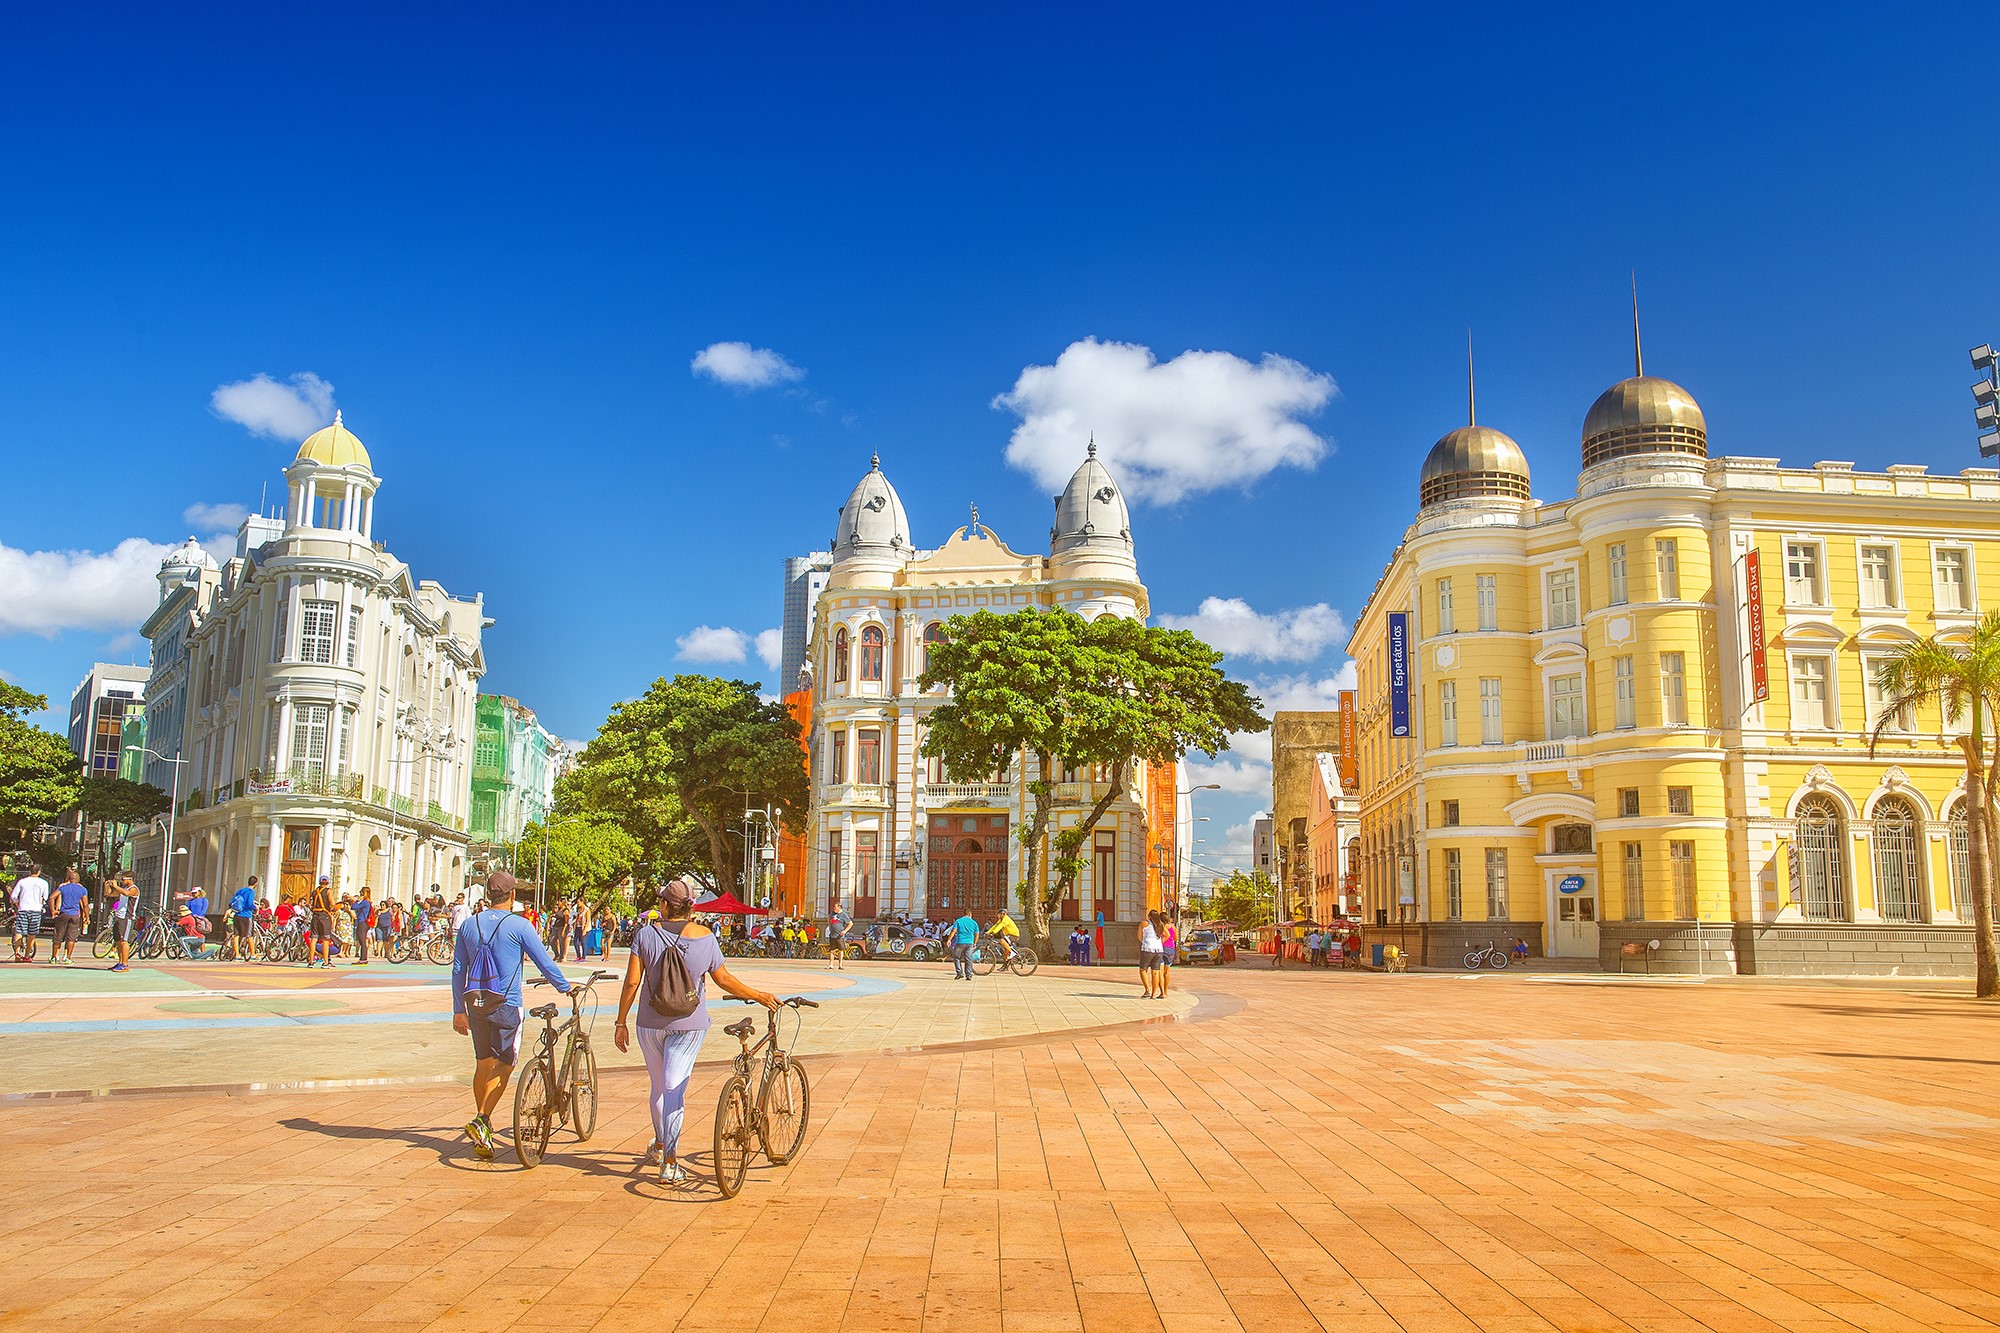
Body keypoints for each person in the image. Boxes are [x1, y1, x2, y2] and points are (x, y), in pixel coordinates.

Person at [614, 878, 780, 1184]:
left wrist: (621, 1021)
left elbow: (632, 983)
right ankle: (670, 1161)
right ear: (691, 907)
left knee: (658, 1087)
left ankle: (662, 1143)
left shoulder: (645, 936)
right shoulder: (705, 938)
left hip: (649, 1024)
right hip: (689, 1026)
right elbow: (723, 979)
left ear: (664, 905)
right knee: (674, 1088)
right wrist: (759, 995)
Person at [451, 871, 573, 1160]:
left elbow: (458, 970)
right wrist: (565, 987)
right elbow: (544, 961)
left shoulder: (469, 924)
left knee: (483, 1063)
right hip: (507, 1004)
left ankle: (484, 1125)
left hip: (475, 1003)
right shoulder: (519, 925)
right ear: (512, 896)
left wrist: (458, 1010)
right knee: (505, 1064)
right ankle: (482, 1119)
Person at [10, 862, 49, 963]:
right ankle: (27, 955)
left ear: (29, 871)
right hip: (36, 910)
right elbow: (45, 897)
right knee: (32, 933)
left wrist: (18, 903)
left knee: (19, 931)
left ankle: (17, 954)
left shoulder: (22, 882)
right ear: (39, 872)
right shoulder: (43, 883)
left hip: (23, 909)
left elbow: (13, 896)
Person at [48, 868, 87, 966]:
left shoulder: (63, 887)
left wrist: (53, 910)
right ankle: (67, 957)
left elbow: (52, 897)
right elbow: (85, 904)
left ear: (69, 879)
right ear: (78, 880)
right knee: (71, 937)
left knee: (58, 935)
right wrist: (86, 916)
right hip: (75, 914)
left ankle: (54, 957)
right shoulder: (82, 889)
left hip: (64, 913)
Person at [106, 871, 138, 972]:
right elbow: (110, 894)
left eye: (123, 879)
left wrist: (115, 886)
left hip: (127, 917)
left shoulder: (134, 889)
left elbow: (127, 894)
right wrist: (107, 886)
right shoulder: (123, 889)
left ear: (130, 879)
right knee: (118, 941)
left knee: (124, 941)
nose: (122, 881)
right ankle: (120, 962)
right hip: (119, 917)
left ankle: (125, 964)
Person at [307, 875, 338, 968]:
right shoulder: (329, 891)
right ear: (328, 882)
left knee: (314, 939)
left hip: (315, 916)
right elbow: (332, 904)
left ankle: (311, 961)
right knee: (325, 940)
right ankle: (325, 962)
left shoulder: (314, 892)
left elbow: (310, 905)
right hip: (324, 916)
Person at [225, 877, 259, 961]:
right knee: (249, 935)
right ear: (256, 884)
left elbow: (231, 902)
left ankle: (237, 954)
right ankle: (253, 954)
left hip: (237, 915)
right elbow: (249, 903)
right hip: (246, 915)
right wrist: (255, 907)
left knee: (236, 935)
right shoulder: (250, 892)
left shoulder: (240, 891)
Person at [1138, 911, 1165, 999]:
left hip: (1147, 949)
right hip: (1159, 950)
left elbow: (1139, 936)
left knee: (1143, 969)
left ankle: (1147, 990)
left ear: (1149, 916)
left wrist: (1145, 942)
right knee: (1155, 972)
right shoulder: (1161, 925)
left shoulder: (1144, 923)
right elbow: (1165, 935)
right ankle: (1154, 994)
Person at [950, 909, 978, 981]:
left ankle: (959, 973)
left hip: (960, 942)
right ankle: (968, 975)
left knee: (957, 957)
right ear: (970, 914)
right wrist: (975, 942)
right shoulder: (974, 922)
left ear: (964, 914)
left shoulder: (958, 921)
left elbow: (954, 931)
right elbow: (976, 934)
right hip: (970, 943)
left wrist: (949, 939)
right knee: (968, 959)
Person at [826, 899, 851, 971]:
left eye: (835, 907)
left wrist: (845, 931)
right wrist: (830, 927)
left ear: (839, 907)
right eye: (833, 907)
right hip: (832, 935)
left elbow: (850, 923)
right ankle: (831, 964)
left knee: (841, 950)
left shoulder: (843, 914)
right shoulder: (831, 914)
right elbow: (828, 919)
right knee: (832, 950)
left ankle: (840, 964)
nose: (834, 909)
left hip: (840, 936)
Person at [352, 888, 373, 965]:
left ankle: (363, 959)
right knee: (362, 941)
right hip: (362, 922)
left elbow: (353, 907)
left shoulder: (365, 902)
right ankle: (363, 958)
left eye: (361, 892)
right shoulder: (367, 902)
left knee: (362, 941)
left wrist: (357, 900)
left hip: (363, 922)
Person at [1160, 917, 1178, 996]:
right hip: (1170, 949)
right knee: (1167, 972)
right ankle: (1166, 991)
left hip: (1160, 948)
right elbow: (1176, 938)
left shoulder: (1160, 927)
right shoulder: (1173, 927)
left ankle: (1162, 992)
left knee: (1160, 972)